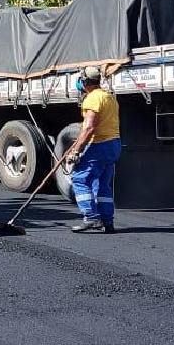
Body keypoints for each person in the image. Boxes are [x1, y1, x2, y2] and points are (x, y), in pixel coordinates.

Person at [61, 66, 121, 234]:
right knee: (102, 184)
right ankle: (107, 221)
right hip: (114, 145)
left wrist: (75, 152)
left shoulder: (92, 99)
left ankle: (91, 218)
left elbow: (89, 128)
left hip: (100, 145)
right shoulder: (109, 97)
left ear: (85, 82)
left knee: (80, 179)